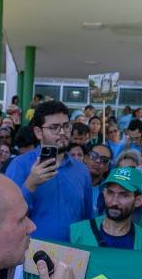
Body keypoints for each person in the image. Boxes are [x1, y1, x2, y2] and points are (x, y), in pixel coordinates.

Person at [5, 101, 94, 242]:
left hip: (75, 255)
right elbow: (7, 216)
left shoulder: (81, 170)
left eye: (66, 126)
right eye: (54, 128)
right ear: (38, 132)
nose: (63, 132)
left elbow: (87, 218)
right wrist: (30, 184)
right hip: (31, 254)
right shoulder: (19, 165)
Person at [69, 167, 142, 252]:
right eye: (110, 193)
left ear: (138, 201)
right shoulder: (76, 233)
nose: (114, 202)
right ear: (104, 193)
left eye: (124, 195)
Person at [84, 143, 113, 214]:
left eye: (104, 159)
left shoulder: (110, 192)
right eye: (94, 155)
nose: (98, 161)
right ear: (86, 158)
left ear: (107, 167)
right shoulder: (70, 183)